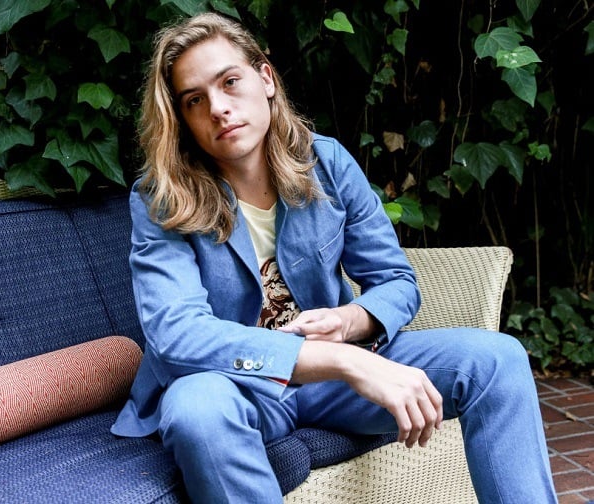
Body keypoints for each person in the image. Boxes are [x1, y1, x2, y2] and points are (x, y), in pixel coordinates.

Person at [111, 11, 557, 504]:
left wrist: (349, 323)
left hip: (332, 384)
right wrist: (345, 361)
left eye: (230, 82)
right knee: (196, 409)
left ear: (266, 80)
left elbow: (395, 280)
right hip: (236, 385)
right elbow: (177, 333)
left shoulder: (326, 163)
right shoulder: (161, 199)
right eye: (195, 100)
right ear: (183, 118)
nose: (218, 108)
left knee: (497, 360)